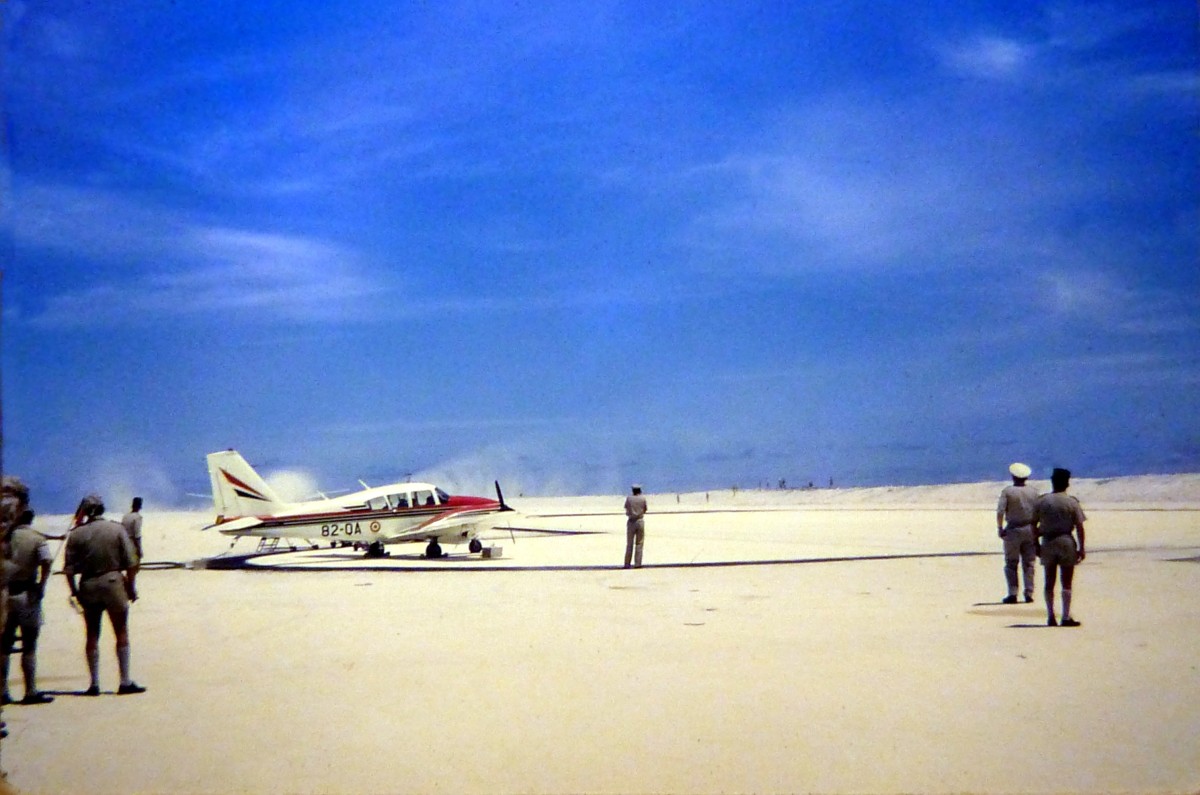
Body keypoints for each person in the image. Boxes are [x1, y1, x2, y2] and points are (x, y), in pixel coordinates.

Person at [63, 494, 146, 695]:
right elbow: (132, 563)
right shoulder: (116, 529)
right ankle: (124, 681)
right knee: (121, 631)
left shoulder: (77, 534)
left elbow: (69, 570)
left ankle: (94, 684)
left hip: (88, 584)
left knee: (92, 633)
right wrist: (131, 586)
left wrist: (75, 592)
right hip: (113, 582)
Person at [2, 509, 54, 704]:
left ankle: (3, 690)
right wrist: (42, 583)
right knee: (29, 644)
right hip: (27, 593)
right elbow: (46, 560)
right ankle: (30, 690)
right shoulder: (36, 538)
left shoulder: (7, 538)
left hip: (6, 593)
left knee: (4, 645)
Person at [1032, 468, 1086, 627]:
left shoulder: (1042, 501)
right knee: (1066, 582)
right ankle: (1066, 616)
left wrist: (1035, 544)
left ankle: (1050, 616)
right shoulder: (1071, 502)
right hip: (1066, 541)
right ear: (1067, 483)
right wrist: (1081, 548)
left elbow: (1033, 525)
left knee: (1049, 581)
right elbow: (1080, 527)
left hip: (1048, 541)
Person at [996, 462, 1039, 604]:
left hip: (1013, 529)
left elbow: (1001, 511)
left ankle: (1013, 593)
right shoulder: (1033, 492)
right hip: (1030, 529)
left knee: (1011, 563)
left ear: (1013, 476)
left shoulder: (1008, 491)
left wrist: (1000, 527)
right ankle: (1029, 592)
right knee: (1029, 563)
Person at [623, 484, 647, 568]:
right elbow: (645, 509)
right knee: (639, 543)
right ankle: (638, 564)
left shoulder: (629, 499)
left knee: (629, 544)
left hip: (631, 521)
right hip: (640, 521)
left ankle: (627, 564)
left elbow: (626, 508)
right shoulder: (643, 498)